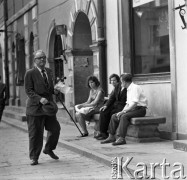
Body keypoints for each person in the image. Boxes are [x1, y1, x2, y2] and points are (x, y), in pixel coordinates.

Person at [24, 50, 61, 165]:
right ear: (35, 60)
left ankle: (48, 148)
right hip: (35, 108)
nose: (42, 60)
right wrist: (39, 99)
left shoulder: (49, 71)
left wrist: (54, 90)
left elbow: (49, 88)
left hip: (48, 107)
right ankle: (34, 157)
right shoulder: (30, 73)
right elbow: (29, 90)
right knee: (36, 134)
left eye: (44, 58)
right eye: (40, 58)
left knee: (55, 129)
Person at [101, 73, 148, 146]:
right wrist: (122, 111)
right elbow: (128, 104)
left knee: (124, 116)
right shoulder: (128, 89)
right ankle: (111, 136)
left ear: (125, 82)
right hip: (133, 109)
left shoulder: (135, 88)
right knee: (114, 116)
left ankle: (121, 138)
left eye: (121, 81)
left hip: (140, 109)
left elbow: (135, 103)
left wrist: (124, 112)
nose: (120, 83)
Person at [95, 74, 127, 140]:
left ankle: (109, 134)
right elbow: (111, 98)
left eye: (114, 80)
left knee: (112, 113)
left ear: (119, 80)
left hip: (122, 107)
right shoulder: (117, 87)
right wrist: (105, 106)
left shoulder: (126, 87)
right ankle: (103, 133)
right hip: (115, 105)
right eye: (111, 80)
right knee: (103, 111)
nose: (112, 82)